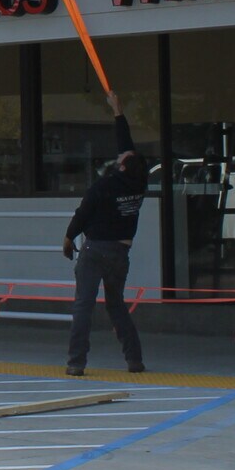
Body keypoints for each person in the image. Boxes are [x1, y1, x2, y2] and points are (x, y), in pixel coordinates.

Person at [62, 89, 149, 377]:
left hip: (96, 249)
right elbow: (127, 145)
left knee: (83, 305)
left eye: (122, 156)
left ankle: (76, 362)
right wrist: (117, 110)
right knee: (116, 306)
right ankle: (134, 359)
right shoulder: (137, 184)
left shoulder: (104, 185)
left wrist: (68, 237)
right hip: (121, 253)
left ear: (122, 166)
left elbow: (83, 212)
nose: (121, 153)